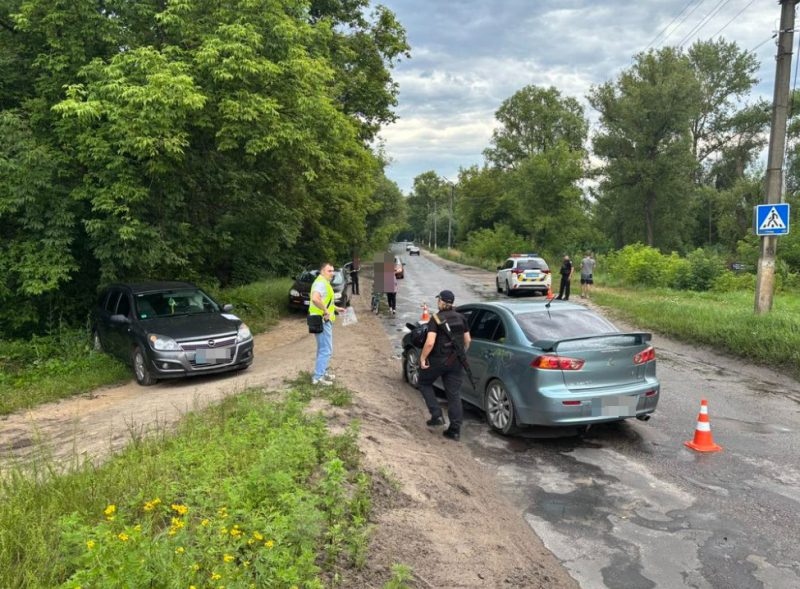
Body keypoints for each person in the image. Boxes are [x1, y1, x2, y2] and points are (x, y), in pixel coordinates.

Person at [418, 290, 472, 441]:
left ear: (441, 302)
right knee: (454, 394)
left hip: (437, 360)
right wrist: (461, 354)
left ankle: (436, 415)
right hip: (455, 362)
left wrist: (422, 358)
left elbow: (429, 343)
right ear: (452, 303)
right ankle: (455, 430)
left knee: (424, 382)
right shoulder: (461, 318)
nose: (438, 302)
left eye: (438, 300)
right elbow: (467, 341)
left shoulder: (436, 319)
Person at [309, 262, 346, 386]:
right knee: (326, 350)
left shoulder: (323, 282)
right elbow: (315, 299)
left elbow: (325, 301)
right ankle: (318, 378)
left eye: (333, 271)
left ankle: (321, 372)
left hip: (320, 319)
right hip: (322, 320)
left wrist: (335, 308)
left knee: (322, 349)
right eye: (329, 271)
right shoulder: (321, 283)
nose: (332, 273)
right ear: (322, 272)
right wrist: (325, 311)